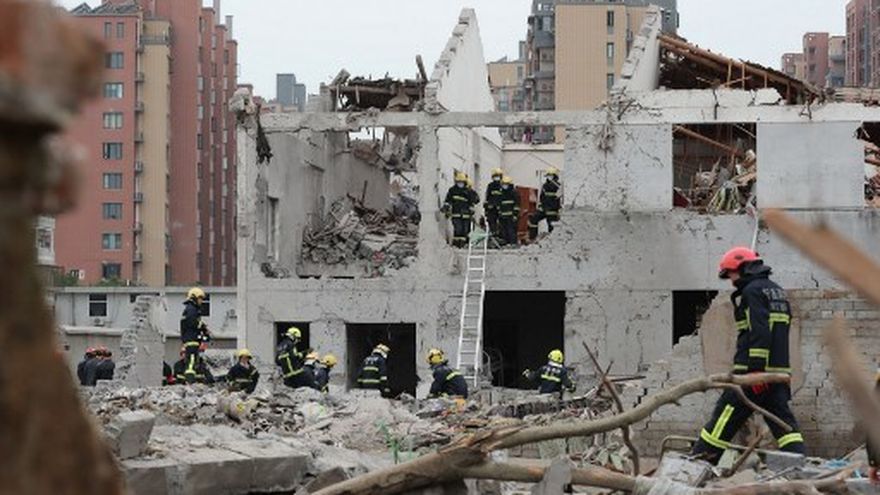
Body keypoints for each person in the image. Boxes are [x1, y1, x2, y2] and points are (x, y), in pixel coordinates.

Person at [690, 247, 804, 464]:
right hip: (778, 373)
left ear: (743, 268)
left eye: (731, 273)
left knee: (724, 418)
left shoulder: (752, 291)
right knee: (785, 427)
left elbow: (759, 331)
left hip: (752, 374)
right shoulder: (777, 292)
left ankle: (697, 463)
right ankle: (798, 465)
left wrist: (756, 371)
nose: (731, 280)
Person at [180, 287, 208, 384]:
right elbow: (193, 323)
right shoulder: (192, 309)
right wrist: (203, 327)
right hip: (192, 339)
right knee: (191, 361)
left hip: (190, 338)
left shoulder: (190, 309)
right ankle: (190, 380)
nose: (201, 301)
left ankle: (191, 380)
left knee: (192, 361)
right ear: (194, 298)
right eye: (200, 298)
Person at [529, 167, 562, 240]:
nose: (549, 177)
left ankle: (553, 240)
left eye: (550, 175)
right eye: (548, 175)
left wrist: (557, 210)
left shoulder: (558, 186)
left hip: (552, 210)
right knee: (534, 218)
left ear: (554, 176)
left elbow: (559, 199)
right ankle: (533, 238)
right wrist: (541, 206)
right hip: (544, 208)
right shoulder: (545, 186)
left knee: (551, 225)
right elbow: (542, 197)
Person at [443, 172, 474, 248]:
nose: (460, 184)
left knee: (466, 231)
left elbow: (473, 201)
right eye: (459, 182)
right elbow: (448, 200)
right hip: (456, 214)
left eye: (462, 182)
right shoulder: (452, 190)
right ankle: (457, 245)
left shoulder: (468, 191)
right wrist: (446, 208)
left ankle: (465, 245)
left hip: (466, 215)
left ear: (465, 182)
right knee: (458, 230)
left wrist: (471, 208)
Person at [498, 176, 520, 246]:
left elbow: (517, 205)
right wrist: (499, 214)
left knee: (511, 230)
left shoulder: (514, 193)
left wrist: (515, 215)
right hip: (503, 216)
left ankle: (513, 243)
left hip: (511, 216)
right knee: (503, 230)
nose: (505, 185)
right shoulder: (501, 193)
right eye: (503, 184)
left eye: (506, 184)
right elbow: (500, 204)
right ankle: (505, 243)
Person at [484, 168, 504, 238]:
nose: (497, 178)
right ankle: (493, 235)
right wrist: (487, 207)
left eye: (498, 176)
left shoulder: (503, 186)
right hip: (492, 208)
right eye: (495, 176)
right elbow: (488, 197)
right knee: (491, 222)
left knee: (502, 223)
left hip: (501, 208)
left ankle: (501, 236)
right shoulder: (490, 186)